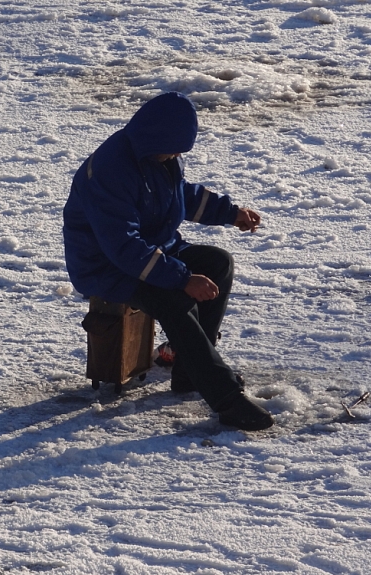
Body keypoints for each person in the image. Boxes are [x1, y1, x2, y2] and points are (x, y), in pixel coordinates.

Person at [63, 92, 274, 431]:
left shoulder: (157, 156)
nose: (177, 155)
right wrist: (181, 278)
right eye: (175, 148)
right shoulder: (110, 171)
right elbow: (123, 247)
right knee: (174, 299)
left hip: (152, 248)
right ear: (155, 137)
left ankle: (190, 372)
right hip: (106, 265)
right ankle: (226, 399)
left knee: (217, 263)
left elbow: (180, 194)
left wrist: (230, 214)